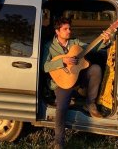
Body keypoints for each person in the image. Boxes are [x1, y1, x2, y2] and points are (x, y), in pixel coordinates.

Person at [42, 17, 111, 149]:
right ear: (57, 31)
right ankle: (58, 142)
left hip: (77, 78)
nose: (69, 31)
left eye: (70, 28)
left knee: (95, 69)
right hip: (62, 81)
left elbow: (92, 48)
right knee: (61, 108)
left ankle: (90, 103)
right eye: (65, 29)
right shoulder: (49, 46)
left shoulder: (75, 42)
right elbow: (44, 67)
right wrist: (63, 62)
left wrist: (105, 40)